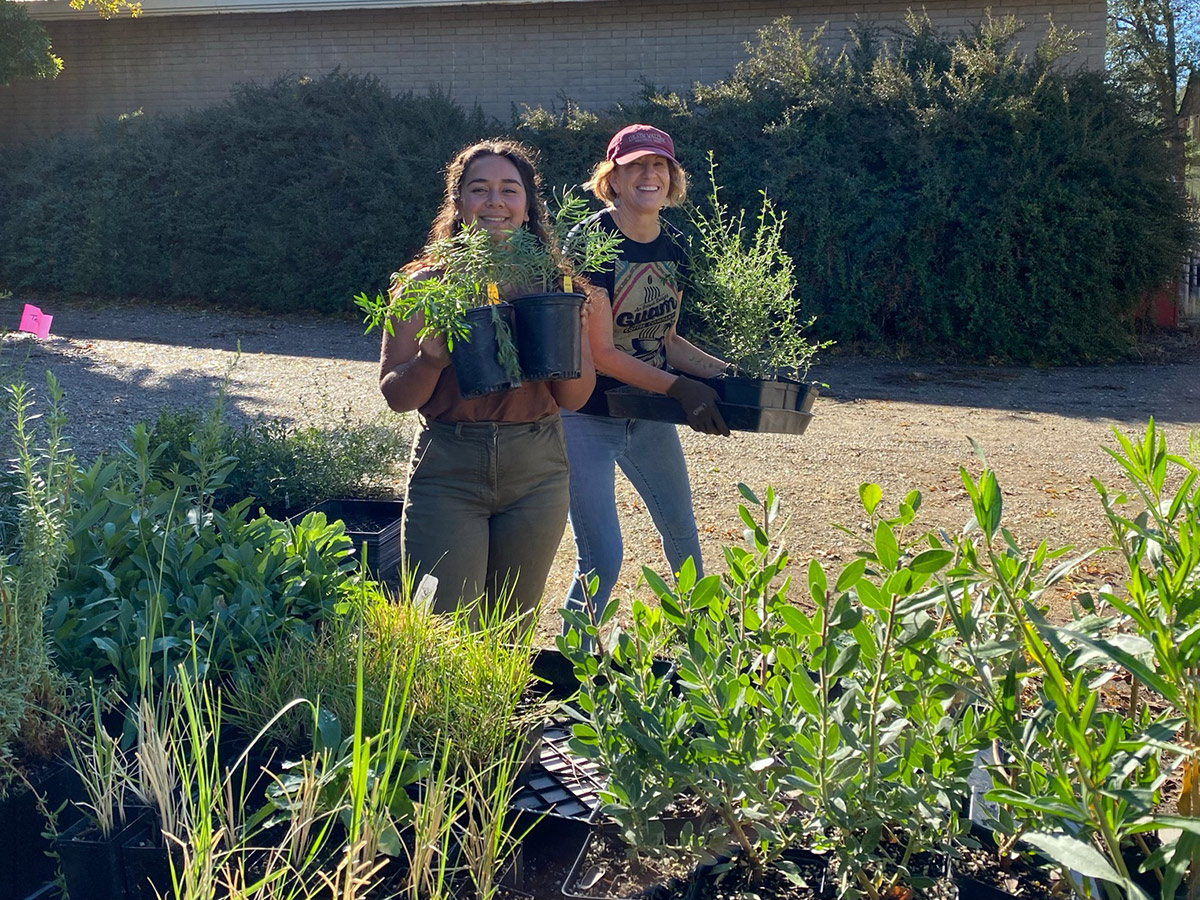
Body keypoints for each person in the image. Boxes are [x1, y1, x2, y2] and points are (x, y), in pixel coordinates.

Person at [379, 139, 595, 627]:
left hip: (536, 470)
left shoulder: (556, 287)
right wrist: (432, 361)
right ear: (458, 203)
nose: (495, 201)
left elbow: (574, 399)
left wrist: (575, 344)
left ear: (527, 205)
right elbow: (396, 394)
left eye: (509, 189)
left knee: (510, 631)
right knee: (443, 630)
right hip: (448, 470)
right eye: (479, 189)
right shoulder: (426, 285)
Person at [561, 123, 730, 640]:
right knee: (603, 556)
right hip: (587, 416)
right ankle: (573, 670)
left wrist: (725, 376)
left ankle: (705, 651)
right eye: (634, 165)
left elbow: (668, 341)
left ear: (672, 177)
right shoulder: (590, 241)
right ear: (612, 178)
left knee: (681, 533)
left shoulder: (675, 246)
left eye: (658, 165)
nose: (648, 174)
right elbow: (602, 353)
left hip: (650, 414)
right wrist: (680, 389)